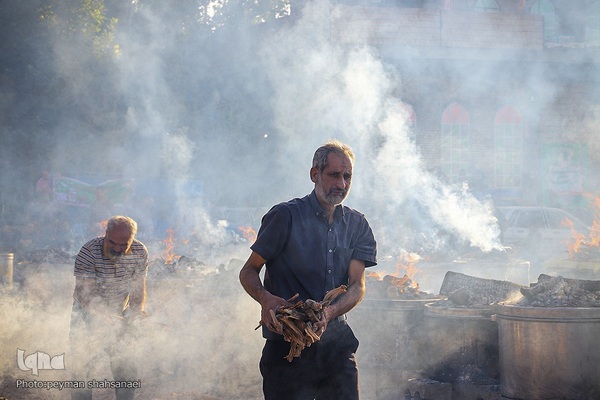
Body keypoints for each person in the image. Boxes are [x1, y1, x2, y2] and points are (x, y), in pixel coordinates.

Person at [239, 140, 377, 400]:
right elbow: (248, 271)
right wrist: (265, 298)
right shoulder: (284, 216)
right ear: (315, 174)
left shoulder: (358, 225)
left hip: (336, 347)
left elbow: (358, 285)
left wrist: (330, 311)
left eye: (347, 177)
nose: (342, 184)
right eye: (334, 175)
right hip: (286, 349)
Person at [69, 215, 149, 400]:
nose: (117, 248)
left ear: (132, 239)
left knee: (126, 364)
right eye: (113, 242)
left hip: (120, 311)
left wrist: (136, 313)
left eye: (124, 244)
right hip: (86, 313)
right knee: (82, 367)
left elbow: (138, 289)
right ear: (106, 234)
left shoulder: (140, 251)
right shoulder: (88, 251)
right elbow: (84, 294)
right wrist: (107, 318)